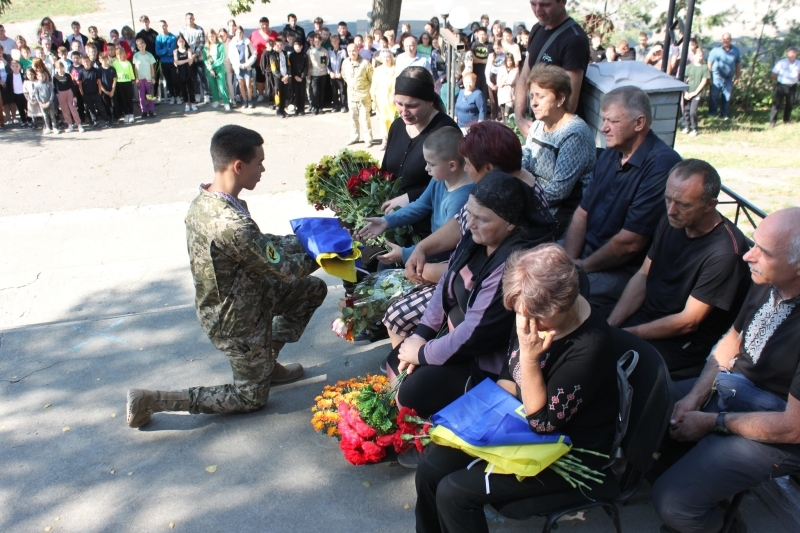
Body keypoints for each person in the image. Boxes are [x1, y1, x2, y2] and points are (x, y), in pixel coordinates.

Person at [126, 125, 327, 428]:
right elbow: (285, 270)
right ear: (238, 166)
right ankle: (152, 400)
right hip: (236, 322)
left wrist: (308, 238)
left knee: (310, 290)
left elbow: (261, 246)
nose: (262, 168)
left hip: (247, 296)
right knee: (251, 398)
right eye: (259, 162)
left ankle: (265, 363)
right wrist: (327, 252)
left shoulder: (208, 201)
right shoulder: (231, 224)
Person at [415, 243, 619, 531]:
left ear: (562, 305)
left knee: (455, 493)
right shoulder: (531, 310)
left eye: (533, 317)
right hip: (518, 419)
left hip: (565, 446)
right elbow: (508, 375)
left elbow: (543, 423)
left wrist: (529, 357)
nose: (524, 323)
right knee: (430, 469)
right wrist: (489, 419)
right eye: (520, 314)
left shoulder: (590, 345)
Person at [652, 207, 800, 533]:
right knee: (647, 409)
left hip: (780, 427)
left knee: (673, 502)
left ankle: (723, 526)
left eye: (765, 252)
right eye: (754, 244)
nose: (748, 256)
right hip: (736, 390)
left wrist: (710, 423)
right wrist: (694, 397)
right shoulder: (767, 279)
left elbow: (792, 428)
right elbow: (731, 342)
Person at [386, 173, 557, 432]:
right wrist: (422, 334)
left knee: (412, 392)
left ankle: (435, 436)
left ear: (510, 225)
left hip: (486, 362)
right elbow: (446, 284)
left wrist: (422, 353)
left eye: (482, 219)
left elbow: (474, 333)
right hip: (459, 342)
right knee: (395, 361)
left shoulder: (513, 262)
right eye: (470, 213)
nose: (471, 224)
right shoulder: (476, 237)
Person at [387, 122, 556, 347]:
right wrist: (421, 249)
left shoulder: (509, 201)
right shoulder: (502, 185)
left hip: (483, 299)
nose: (465, 170)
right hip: (462, 282)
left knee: (397, 315)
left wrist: (425, 270)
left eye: (468, 164)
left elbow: (474, 269)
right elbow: (460, 224)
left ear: (488, 168)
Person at [608, 159, 751, 378]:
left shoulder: (725, 253)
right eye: (668, 199)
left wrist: (625, 335)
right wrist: (611, 324)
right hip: (646, 318)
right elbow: (643, 275)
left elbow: (688, 322)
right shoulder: (672, 220)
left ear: (710, 205)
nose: (672, 210)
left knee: (610, 368)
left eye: (683, 204)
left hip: (680, 343)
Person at [563, 86, 682, 315]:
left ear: (639, 123)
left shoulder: (661, 166)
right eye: (604, 119)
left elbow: (630, 243)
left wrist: (582, 268)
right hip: (584, 254)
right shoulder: (610, 154)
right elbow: (582, 213)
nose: (603, 127)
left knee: (548, 293)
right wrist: (570, 261)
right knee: (526, 266)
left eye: (613, 121)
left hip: (621, 270)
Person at [356, 127, 473, 266]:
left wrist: (406, 253)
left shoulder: (462, 198)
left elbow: (448, 241)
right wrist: (386, 221)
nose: (426, 168)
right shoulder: (440, 179)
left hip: (446, 259)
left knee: (385, 266)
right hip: (432, 248)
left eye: (431, 164)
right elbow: (421, 205)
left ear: (452, 165)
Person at [521, 63, 595, 236]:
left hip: (562, 215)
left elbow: (558, 192)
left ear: (560, 99)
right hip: (535, 201)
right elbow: (526, 159)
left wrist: (521, 200)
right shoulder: (538, 125)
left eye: (540, 96)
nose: (534, 103)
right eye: (532, 96)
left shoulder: (574, 133)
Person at [380, 67, 459, 211]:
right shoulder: (397, 125)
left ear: (429, 101)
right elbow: (384, 171)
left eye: (412, 105)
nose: (404, 112)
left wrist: (410, 197)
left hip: (429, 219)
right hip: (391, 216)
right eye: (399, 103)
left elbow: (454, 182)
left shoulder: (446, 130)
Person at [513, 0, 590, 137]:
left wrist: (542, 131)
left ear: (562, 2)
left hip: (561, 133)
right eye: (533, 4)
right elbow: (524, 77)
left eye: (545, 5)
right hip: (536, 127)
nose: (538, 11)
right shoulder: (537, 29)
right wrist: (519, 118)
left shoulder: (574, 39)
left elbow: (569, 102)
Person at [341, 42, 374, 145]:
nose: (352, 53)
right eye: (350, 51)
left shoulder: (365, 63)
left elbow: (372, 78)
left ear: (358, 50)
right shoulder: (345, 63)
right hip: (351, 96)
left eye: (354, 50)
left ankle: (368, 138)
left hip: (364, 96)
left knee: (365, 118)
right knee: (353, 118)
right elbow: (344, 75)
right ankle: (354, 137)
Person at [707, 33, 741, 120]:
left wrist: (737, 77)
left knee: (727, 96)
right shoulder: (715, 50)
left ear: (731, 39)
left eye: (728, 39)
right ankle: (712, 114)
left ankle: (724, 115)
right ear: (721, 40)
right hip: (716, 76)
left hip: (728, 77)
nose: (726, 40)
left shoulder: (735, 50)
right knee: (714, 96)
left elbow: (738, 64)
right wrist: (709, 76)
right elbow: (709, 63)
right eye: (724, 39)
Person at [370, 50, 396, 149]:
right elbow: (374, 87)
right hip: (381, 100)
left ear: (391, 58)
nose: (386, 59)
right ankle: (384, 141)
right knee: (382, 120)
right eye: (384, 57)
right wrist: (373, 101)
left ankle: (393, 141)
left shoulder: (395, 70)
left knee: (393, 120)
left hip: (392, 100)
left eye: (388, 57)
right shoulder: (377, 70)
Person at [682, 48, 710, 137]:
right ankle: (687, 127)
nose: (700, 57)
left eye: (701, 56)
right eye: (698, 55)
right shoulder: (689, 67)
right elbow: (684, 80)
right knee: (686, 110)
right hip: (687, 93)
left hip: (697, 93)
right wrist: (685, 92)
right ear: (694, 56)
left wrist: (695, 93)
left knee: (692, 112)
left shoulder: (704, 67)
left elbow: (704, 81)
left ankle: (695, 129)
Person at [182, 13, 209, 103]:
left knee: (202, 76)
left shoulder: (199, 29)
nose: (189, 20)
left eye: (191, 18)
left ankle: (206, 94)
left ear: (194, 19)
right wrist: (189, 55)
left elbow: (202, 43)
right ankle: (197, 94)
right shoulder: (182, 30)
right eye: (187, 19)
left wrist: (194, 55)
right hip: (188, 58)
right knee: (193, 77)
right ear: (185, 20)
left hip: (199, 58)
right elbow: (181, 43)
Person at [250, 17, 278, 103]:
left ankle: (272, 94)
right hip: (260, 60)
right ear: (259, 25)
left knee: (272, 78)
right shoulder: (254, 34)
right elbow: (249, 45)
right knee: (260, 78)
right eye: (262, 25)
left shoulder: (274, 34)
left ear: (268, 24)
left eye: (266, 24)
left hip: (273, 60)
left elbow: (279, 44)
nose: (264, 26)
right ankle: (261, 94)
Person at [770, 46, 799, 128]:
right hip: (782, 86)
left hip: (792, 86)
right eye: (790, 53)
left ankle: (786, 120)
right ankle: (772, 122)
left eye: (794, 53)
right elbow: (774, 74)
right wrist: (780, 81)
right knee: (777, 104)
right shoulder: (781, 63)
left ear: (796, 54)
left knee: (789, 104)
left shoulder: (798, 63)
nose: (792, 55)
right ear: (787, 53)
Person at [78, 54, 109, 127]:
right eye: (84, 62)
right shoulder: (81, 72)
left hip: (95, 93)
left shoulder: (95, 70)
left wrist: (99, 92)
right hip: (86, 93)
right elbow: (80, 83)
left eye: (87, 61)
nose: (86, 63)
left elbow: (99, 81)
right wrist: (82, 92)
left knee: (100, 107)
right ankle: (95, 121)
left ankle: (107, 120)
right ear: (82, 63)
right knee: (90, 109)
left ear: (90, 61)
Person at [203, 29, 230, 111]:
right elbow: (205, 58)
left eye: (212, 36)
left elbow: (221, 58)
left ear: (215, 35)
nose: (211, 37)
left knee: (222, 86)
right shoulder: (206, 47)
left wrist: (212, 65)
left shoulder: (220, 45)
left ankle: (226, 102)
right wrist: (210, 68)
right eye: (209, 36)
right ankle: (217, 101)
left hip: (219, 68)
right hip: (210, 70)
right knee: (213, 86)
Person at [229, 26, 255, 109]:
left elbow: (254, 53)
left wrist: (247, 64)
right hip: (238, 66)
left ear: (243, 32)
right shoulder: (232, 43)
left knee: (248, 84)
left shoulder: (247, 42)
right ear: (235, 33)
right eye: (237, 32)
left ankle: (250, 100)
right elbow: (231, 56)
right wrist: (237, 65)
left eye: (240, 32)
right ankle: (245, 100)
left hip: (247, 66)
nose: (239, 34)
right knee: (241, 84)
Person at [54, 59, 83, 132]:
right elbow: (54, 87)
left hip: (69, 92)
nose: (59, 69)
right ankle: (70, 125)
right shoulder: (55, 77)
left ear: (63, 67)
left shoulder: (67, 75)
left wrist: (74, 96)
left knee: (73, 109)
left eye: (61, 67)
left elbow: (72, 85)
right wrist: (57, 95)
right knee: (65, 110)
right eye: (58, 68)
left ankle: (79, 124)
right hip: (61, 94)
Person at [136, 16, 160, 99]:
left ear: (149, 22)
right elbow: (137, 49)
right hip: (143, 61)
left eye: (146, 21)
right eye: (143, 22)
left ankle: (154, 96)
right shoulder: (139, 35)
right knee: (145, 79)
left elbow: (158, 46)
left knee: (154, 78)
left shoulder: (155, 33)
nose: (145, 23)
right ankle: (146, 97)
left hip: (153, 59)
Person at [133, 38, 157, 118]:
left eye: (142, 46)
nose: (141, 47)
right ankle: (144, 111)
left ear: (145, 45)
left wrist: (153, 77)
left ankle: (151, 110)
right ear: (138, 47)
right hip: (140, 78)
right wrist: (136, 78)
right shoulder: (136, 56)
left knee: (150, 95)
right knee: (141, 96)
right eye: (139, 46)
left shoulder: (149, 55)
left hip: (148, 78)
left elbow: (152, 67)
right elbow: (136, 68)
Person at [174, 34, 198, 113]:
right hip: (180, 72)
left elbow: (190, 61)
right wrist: (186, 60)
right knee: (183, 89)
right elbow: (176, 62)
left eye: (182, 41)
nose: (181, 42)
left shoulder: (188, 50)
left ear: (184, 42)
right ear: (177, 42)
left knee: (191, 89)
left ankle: (193, 103)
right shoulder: (175, 51)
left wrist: (185, 61)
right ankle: (186, 104)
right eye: (179, 41)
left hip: (188, 71)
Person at [156, 21, 178, 104]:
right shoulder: (158, 38)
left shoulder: (172, 37)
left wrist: (165, 51)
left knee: (175, 79)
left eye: (164, 25)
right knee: (168, 80)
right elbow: (157, 51)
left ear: (167, 26)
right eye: (161, 26)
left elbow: (172, 51)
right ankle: (172, 96)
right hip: (163, 63)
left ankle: (178, 96)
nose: (162, 27)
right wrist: (166, 50)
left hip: (172, 62)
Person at [307, 35, 329, 114]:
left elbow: (326, 62)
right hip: (314, 74)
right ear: (313, 42)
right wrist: (309, 75)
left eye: (319, 41)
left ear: (321, 41)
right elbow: (309, 63)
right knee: (315, 91)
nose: (317, 43)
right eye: (315, 41)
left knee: (322, 91)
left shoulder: (325, 51)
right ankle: (314, 106)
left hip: (323, 74)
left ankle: (320, 107)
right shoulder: (311, 51)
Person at [113, 47, 136, 123]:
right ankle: (126, 114)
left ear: (124, 54)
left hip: (128, 82)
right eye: (118, 54)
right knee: (123, 99)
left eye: (121, 54)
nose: (119, 55)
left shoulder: (128, 62)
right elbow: (113, 73)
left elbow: (131, 72)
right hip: (119, 82)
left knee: (129, 98)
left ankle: (131, 113)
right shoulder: (115, 63)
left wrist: (133, 79)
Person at [485, 41, 506, 120]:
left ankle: (501, 116)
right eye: (495, 48)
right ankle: (493, 116)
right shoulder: (492, 56)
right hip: (492, 76)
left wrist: (499, 84)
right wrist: (490, 83)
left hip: (501, 77)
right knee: (492, 99)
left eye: (498, 48)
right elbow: (487, 70)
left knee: (500, 98)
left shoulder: (505, 56)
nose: (497, 50)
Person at [496, 54, 519, 123]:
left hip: (510, 93)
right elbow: (499, 82)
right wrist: (505, 80)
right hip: (501, 93)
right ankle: (504, 126)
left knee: (507, 112)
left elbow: (511, 81)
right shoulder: (501, 68)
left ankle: (508, 126)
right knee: (503, 112)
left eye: (510, 60)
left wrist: (503, 79)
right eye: (508, 60)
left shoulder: (516, 69)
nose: (509, 62)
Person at [327, 35, 347, 112]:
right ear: (331, 42)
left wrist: (342, 73)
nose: (334, 42)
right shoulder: (329, 52)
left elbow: (345, 63)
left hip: (340, 75)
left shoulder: (343, 51)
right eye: (332, 41)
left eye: (336, 40)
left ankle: (343, 105)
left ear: (339, 41)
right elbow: (327, 64)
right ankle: (335, 105)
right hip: (333, 75)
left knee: (342, 91)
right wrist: (330, 72)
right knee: (334, 91)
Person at [288, 39, 308, 115]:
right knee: (296, 93)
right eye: (295, 46)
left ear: (301, 47)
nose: (297, 48)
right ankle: (297, 108)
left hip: (302, 78)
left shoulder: (304, 55)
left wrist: (302, 76)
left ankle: (302, 109)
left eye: (298, 46)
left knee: (302, 93)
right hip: (294, 77)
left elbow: (306, 67)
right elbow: (290, 67)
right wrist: (295, 76)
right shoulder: (291, 56)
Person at [97, 52, 117, 124]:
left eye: (105, 59)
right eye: (102, 59)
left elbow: (114, 80)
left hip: (112, 90)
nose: (104, 61)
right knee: (106, 105)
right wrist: (105, 91)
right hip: (104, 91)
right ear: (99, 60)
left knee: (114, 104)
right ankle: (109, 118)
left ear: (107, 59)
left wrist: (112, 90)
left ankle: (115, 117)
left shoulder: (112, 69)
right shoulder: (99, 70)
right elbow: (99, 82)